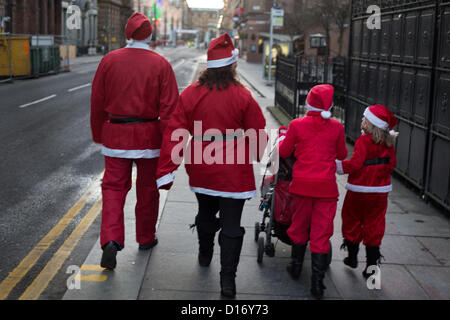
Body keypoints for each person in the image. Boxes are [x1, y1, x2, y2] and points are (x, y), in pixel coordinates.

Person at [156, 33, 267, 298]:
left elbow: (176, 131)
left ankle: (205, 254)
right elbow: (258, 131)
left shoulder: (191, 94)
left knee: (206, 212)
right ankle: (227, 282)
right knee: (231, 224)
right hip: (233, 169)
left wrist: (167, 169)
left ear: (209, 66)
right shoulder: (243, 95)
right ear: (232, 66)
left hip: (202, 165)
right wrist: (257, 154)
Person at [90, 12, 179, 269]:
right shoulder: (161, 64)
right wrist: (168, 144)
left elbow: (97, 102)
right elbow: (170, 110)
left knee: (113, 189)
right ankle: (145, 237)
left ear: (127, 35)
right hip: (148, 136)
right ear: (150, 36)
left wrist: (99, 134)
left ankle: (111, 240)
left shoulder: (109, 60)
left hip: (115, 135)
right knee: (148, 190)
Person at [278, 84, 348, 299]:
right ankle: (317, 284)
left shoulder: (297, 125)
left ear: (308, 102)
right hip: (326, 189)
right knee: (321, 232)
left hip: (301, 186)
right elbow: (342, 154)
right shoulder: (337, 127)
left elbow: (284, 151)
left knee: (299, 226)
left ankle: (296, 266)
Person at [336, 104, 398, 279]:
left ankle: (352, 257)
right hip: (380, 193)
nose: (362, 120)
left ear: (371, 123)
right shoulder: (389, 143)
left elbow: (355, 164)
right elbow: (391, 165)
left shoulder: (363, 141)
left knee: (352, 219)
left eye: (365, 118)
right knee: (375, 224)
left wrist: (339, 166)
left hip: (359, 191)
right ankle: (371, 267)